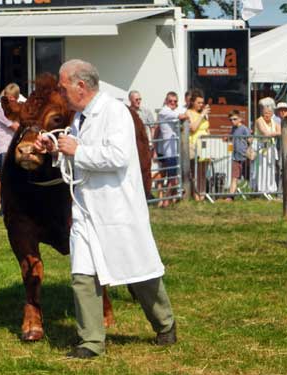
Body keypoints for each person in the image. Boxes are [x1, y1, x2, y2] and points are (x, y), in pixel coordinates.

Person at [34, 59, 176, 359]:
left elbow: (118, 157)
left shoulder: (115, 112)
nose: (61, 92)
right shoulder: (80, 118)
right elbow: (76, 154)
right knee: (82, 274)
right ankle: (91, 341)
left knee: (139, 273)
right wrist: (56, 149)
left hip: (117, 210)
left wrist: (78, 150)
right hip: (86, 209)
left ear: (80, 86)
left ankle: (165, 324)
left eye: (63, 86)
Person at [156, 91, 188, 207]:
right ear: (166, 101)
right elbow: (182, 116)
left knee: (171, 176)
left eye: (175, 101)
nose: (173, 103)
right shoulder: (165, 111)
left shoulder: (170, 111)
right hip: (168, 150)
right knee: (172, 177)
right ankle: (165, 201)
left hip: (171, 149)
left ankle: (166, 200)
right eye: (170, 101)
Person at [186, 89, 210, 201]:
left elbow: (207, 128)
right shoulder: (189, 113)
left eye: (202, 103)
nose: (201, 105)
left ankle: (202, 194)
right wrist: (202, 115)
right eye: (199, 102)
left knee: (202, 171)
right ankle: (195, 194)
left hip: (205, 144)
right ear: (192, 102)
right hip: (194, 144)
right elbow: (193, 128)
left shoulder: (203, 114)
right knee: (195, 171)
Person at [251, 107, 281, 194]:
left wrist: (271, 134)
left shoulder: (274, 122)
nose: (267, 115)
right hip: (260, 148)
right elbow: (265, 133)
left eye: (269, 113)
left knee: (270, 168)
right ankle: (261, 189)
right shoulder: (259, 120)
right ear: (262, 114)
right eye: (265, 113)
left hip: (270, 148)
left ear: (272, 114)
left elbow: (280, 131)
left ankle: (270, 189)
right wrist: (274, 134)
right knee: (261, 168)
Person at [0, 83, 20, 172]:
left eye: (11, 98)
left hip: (15, 148)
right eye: (7, 97)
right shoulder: (1, 109)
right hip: (4, 149)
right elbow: (15, 127)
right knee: (4, 179)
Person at [225, 110, 251, 201]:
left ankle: (254, 194)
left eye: (235, 119)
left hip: (245, 157)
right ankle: (230, 197)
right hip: (235, 157)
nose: (233, 121)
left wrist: (248, 143)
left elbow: (250, 140)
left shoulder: (244, 128)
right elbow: (230, 138)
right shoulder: (233, 129)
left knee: (249, 177)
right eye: (231, 120)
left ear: (240, 119)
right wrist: (227, 138)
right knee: (234, 178)